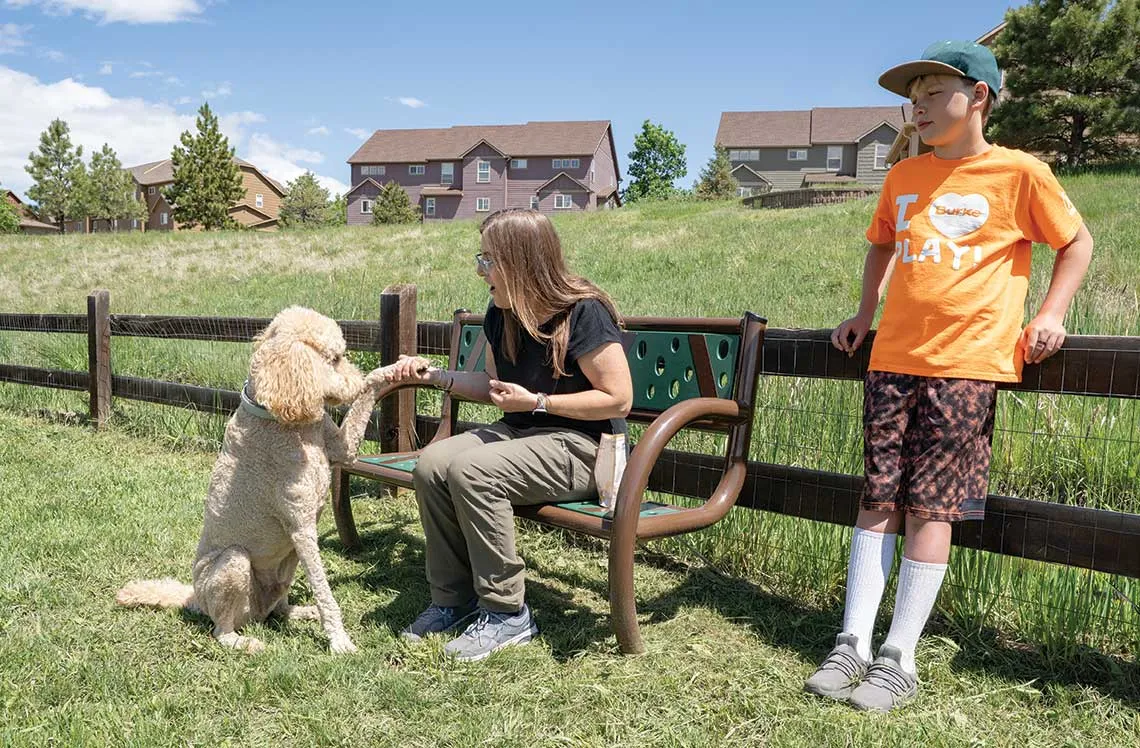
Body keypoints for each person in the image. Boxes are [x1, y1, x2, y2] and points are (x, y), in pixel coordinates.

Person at [805, 40, 1093, 711]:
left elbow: (1076, 242)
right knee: (878, 496)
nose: (919, 105)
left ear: (979, 97)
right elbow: (881, 243)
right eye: (916, 94)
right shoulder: (903, 176)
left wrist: (1052, 312)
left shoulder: (1020, 173)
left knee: (932, 506)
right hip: (891, 359)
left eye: (935, 92)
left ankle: (898, 657)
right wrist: (862, 310)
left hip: (968, 364)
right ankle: (851, 641)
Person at [386, 207, 633, 662]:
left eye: (488, 260)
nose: (481, 272)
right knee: (432, 464)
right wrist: (435, 375)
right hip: (521, 432)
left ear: (521, 261)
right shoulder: (503, 313)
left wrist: (538, 402)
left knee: (473, 471)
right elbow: (496, 388)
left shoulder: (584, 312)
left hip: (583, 446)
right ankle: (452, 599)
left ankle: (507, 614)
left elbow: (619, 399)